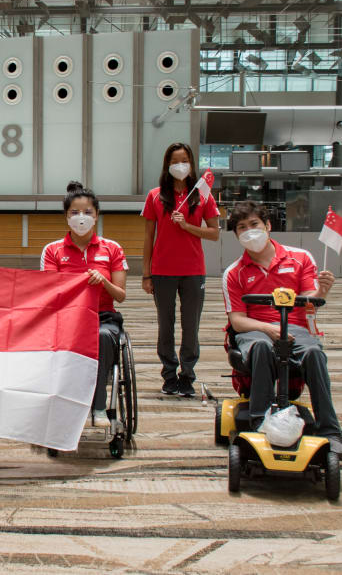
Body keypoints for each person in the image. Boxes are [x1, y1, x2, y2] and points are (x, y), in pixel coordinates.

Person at [222, 201, 341, 450]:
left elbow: (311, 303)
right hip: (255, 330)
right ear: (236, 236)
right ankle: (259, 424)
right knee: (262, 348)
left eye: (254, 224)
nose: (249, 231)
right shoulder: (234, 273)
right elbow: (237, 320)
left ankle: (330, 431)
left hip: (297, 328)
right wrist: (268, 329)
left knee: (314, 353)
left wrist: (322, 291)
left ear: (268, 226)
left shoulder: (300, 258)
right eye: (242, 228)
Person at [41, 181, 128, 429]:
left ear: (97, 215)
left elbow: (120, 295)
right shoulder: (53, 251)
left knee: (100, 337)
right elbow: (49, 291)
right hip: (67, 319)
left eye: (88, 212)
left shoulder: (112, 249)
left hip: (103, 318)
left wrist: (103, 283)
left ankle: (99, 406)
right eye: (75, 212)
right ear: (66, 217)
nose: (82, 217)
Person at [142, 142, 219, 397]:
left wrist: (187, 226)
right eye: (174, 161)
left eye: (184, 160)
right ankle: (168, 374)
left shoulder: (203, 195)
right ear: (167, 165)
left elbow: (214, 233)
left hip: (193, 271)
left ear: (191, 163)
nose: (180, 165)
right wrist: (146, 273)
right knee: (166, 325)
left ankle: (187, 375)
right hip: (163, 271)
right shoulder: (155, 196)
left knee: (190, 325)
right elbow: (148, 236)